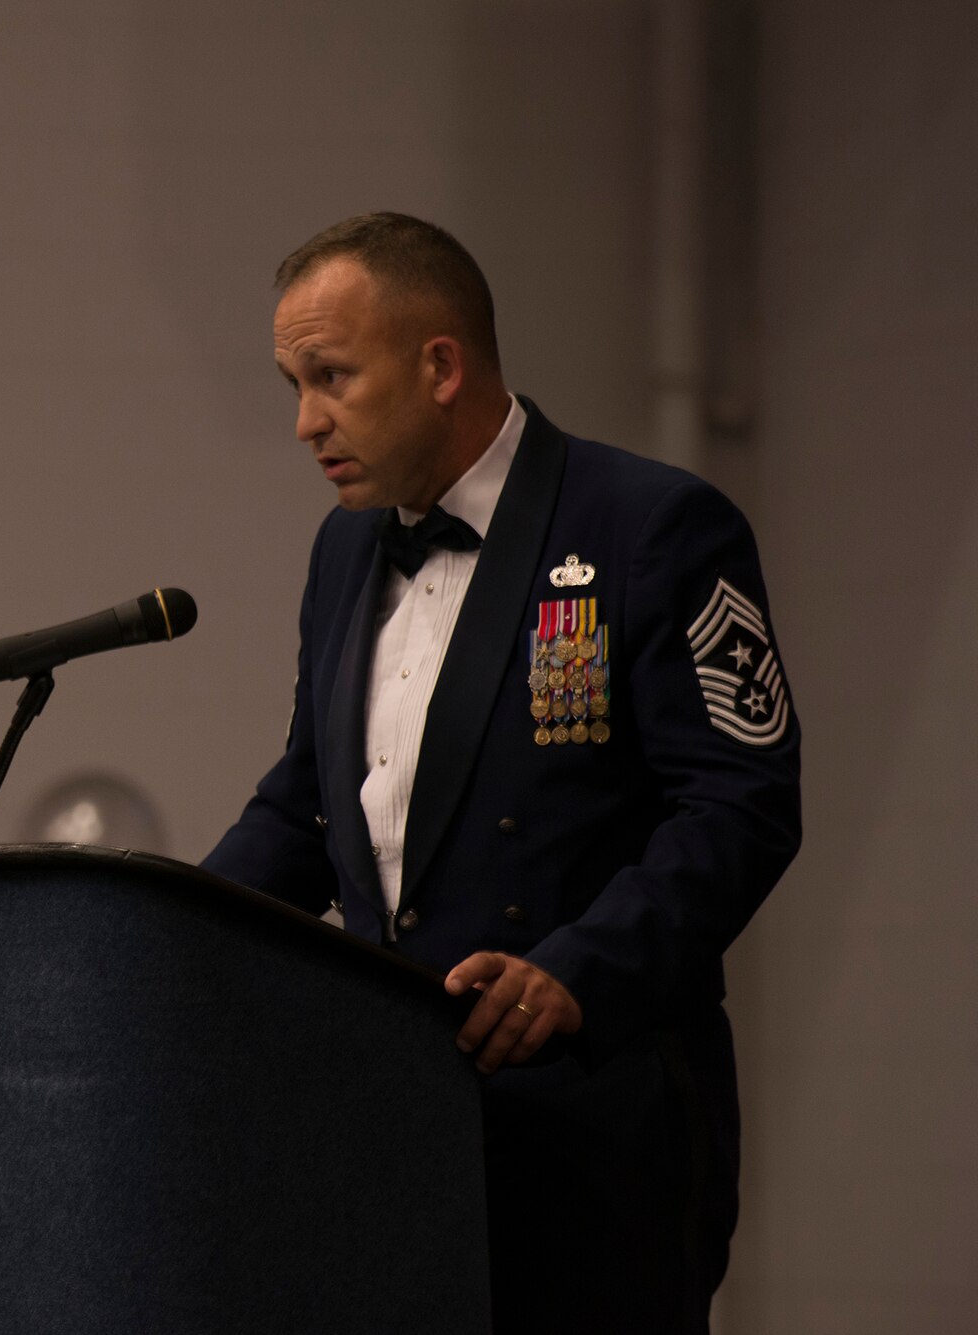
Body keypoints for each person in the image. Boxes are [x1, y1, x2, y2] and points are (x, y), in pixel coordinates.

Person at [203, 212, 801, 1332]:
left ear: (438, 365)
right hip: (394, 1124)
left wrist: (575, 970)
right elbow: (305, 805)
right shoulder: (345, 548)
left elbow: (738, 803)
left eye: (329, 376)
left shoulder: (649, 525)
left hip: (593, 1121)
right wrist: (158, 947)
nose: (302, 422)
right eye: (293, 382)